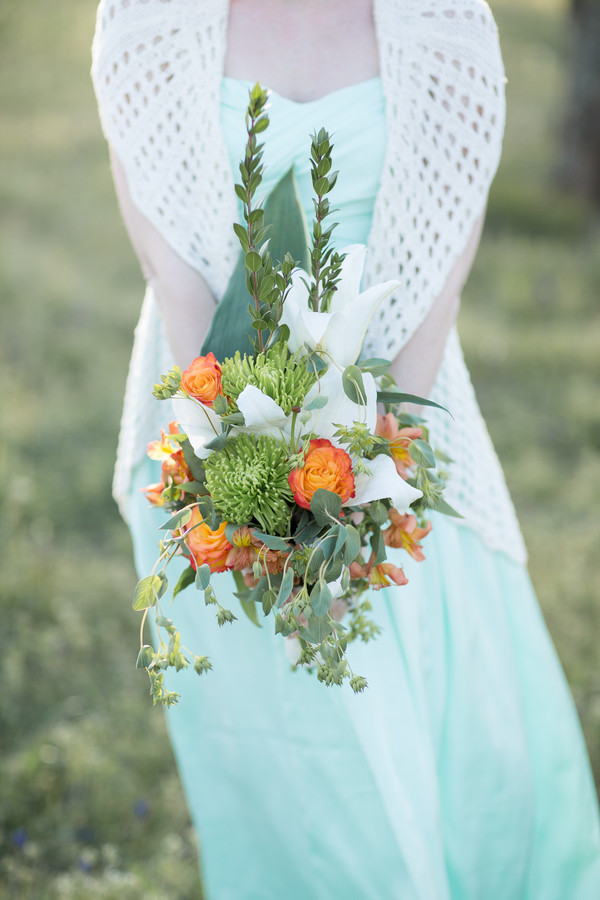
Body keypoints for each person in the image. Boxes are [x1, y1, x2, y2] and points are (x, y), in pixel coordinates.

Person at [92, 1, 600, 897]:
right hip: (212, 423)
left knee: (451, 749)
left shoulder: (446, 23)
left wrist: (370, 474)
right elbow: (171, 269)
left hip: (390, 424)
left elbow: (437, 284)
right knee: (285, 772)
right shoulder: (149, 16)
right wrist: (242, 471)